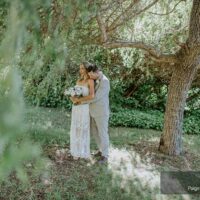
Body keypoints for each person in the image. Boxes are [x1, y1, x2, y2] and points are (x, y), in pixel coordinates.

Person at [73, 63, 110, 164]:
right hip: (91, 111)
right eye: (89, 75)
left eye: (91, 75)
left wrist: (80, 101)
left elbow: (95, 97)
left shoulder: (105, 81)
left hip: (101, 112)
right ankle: (100, 150)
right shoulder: (95, 78)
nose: (90, 77)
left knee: (103, 133)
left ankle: (105, 155)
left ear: (97, 72)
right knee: (95, 132)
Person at [69, 62, 95, 160]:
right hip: (76, 108)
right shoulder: (78, 80)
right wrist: (72, 98)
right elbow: (73, 93)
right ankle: (75, 151)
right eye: (80, 69)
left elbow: (92, 96)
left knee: (83, 128)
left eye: (83, 69)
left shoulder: (90, 81)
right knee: (76, 127)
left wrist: (79, 100)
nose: (80, 71)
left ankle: (83, 151)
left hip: (84, 107)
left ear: (87, 70)